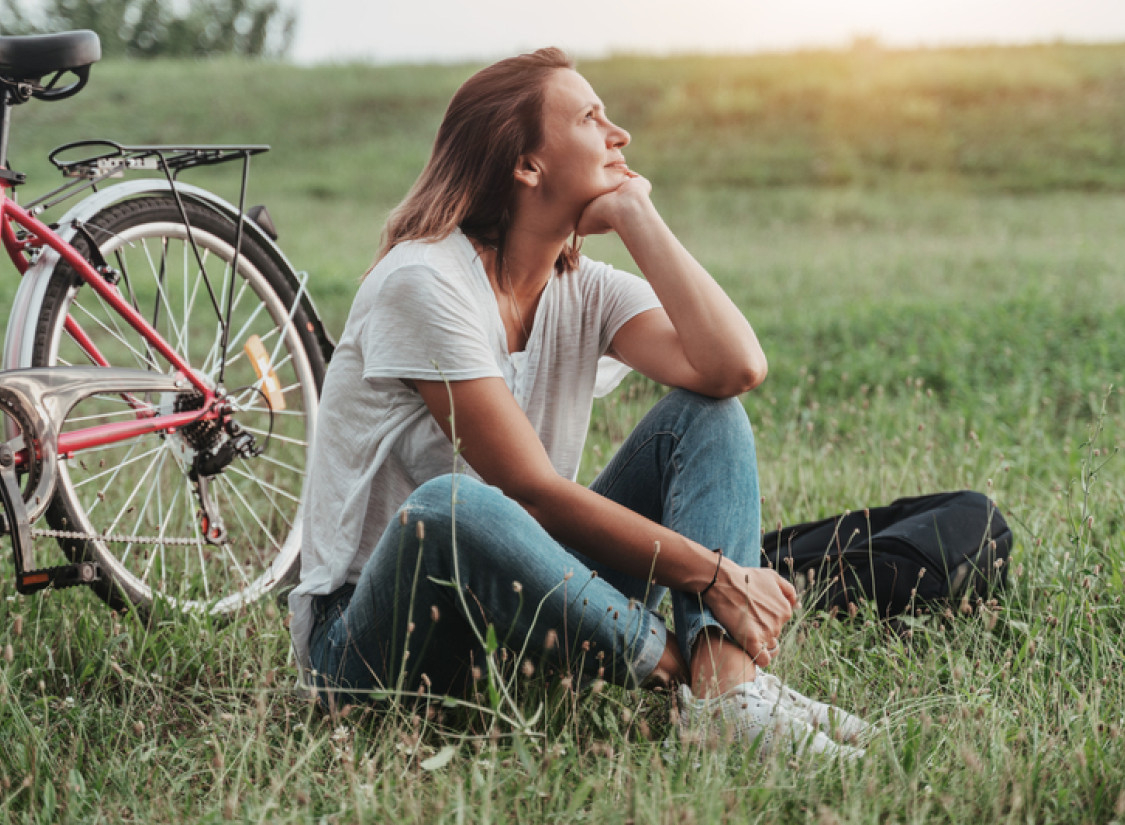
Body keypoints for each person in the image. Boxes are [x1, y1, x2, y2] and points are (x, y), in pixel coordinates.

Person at [287, 48, 870, 759]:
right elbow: (529, 491)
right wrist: (717, 575)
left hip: (517, 614)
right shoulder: (423, 281)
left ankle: (728, 698)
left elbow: (734, 367)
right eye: (592, 118)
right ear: (527, 165)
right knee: (451, 506)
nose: (620, 134)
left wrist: (636, 214)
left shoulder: (584, 287)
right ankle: (706, 678)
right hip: (372, 644)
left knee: (706, 416)